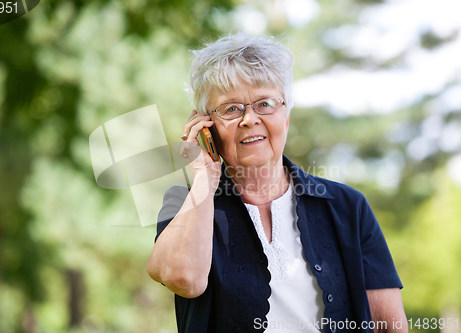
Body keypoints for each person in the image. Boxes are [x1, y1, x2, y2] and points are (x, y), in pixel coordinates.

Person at [147, 32, 407, 333]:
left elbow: (390, 326)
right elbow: (185, 280)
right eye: (231, 108)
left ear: (286, 114)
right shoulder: (184, 204)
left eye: (265, 103)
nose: (249, 119)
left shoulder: (348, 206)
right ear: (205, 126)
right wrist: (206, 175)